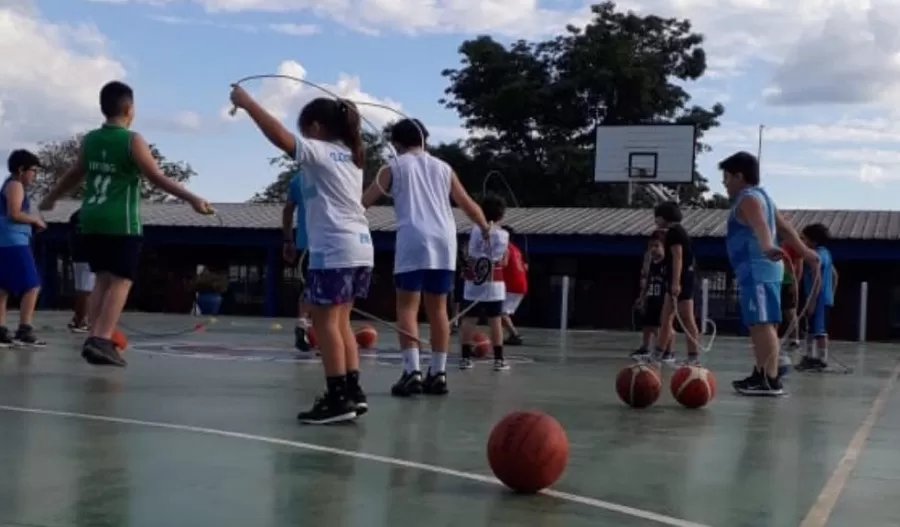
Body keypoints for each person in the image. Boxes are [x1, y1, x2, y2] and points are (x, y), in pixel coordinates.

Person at [40, 81, 211, 367]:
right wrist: (192, 198)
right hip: (121, 221)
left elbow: (75, 173)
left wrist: (51, 197)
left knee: (102, 279)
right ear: (129, 109)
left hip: (90, 217)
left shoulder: (91, 140)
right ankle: (102, 338)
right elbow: (156, 176)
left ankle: (94, 335)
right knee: (122, 279)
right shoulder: (132, 140)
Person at [230, 86, 374, 425]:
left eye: (305, 128)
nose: (303, 135)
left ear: (316, 128)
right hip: (359, 246)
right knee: (341, 323)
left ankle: (337, 398)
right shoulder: (351, 157)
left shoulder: (322, 151)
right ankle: (352, 392)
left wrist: (249, 103)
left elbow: (280, 138)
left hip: (335, 248)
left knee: (325, 325)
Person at [362, 118, 488, 397]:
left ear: (396, 143)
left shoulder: (393, 166)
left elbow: (365, 201)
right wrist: (486, 228)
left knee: (407, 308)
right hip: (445, 240)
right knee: (439, 309)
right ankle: (439, 373)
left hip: (413, 239)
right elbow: (468, 204)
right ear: (424, 139)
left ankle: (412, 371)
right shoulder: (444, 167)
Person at [718, 151, 818, 396]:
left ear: (739, 176)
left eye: (726, 177)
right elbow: (785, 228)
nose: (724, 183)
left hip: (758, 268)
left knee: (761, 324)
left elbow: (762, 226)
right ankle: (762, 372)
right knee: (761, 323)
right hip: (763, 270)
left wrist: (766, 246)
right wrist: (805, 252)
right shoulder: (764, 197)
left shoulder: (748, 199)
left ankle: (770, 380)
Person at [0, 149, 46, 347]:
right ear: (21, 169)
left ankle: (1, 330)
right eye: (33, 170)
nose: (34, 175)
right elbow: (14, 213)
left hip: (5, 240)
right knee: (32, 285)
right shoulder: (16, 185)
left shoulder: (7, 185)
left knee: (3, 287)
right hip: (14, 241)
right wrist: (35, 220)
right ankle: (24, 329)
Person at [459, 194, 509, 371]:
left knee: (469, 319)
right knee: (495, 320)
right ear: (500, 214)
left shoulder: (474, 230)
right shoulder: (503, 234)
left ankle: (465, 358)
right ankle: (499, 359)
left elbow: (471, 253)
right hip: (494, 281)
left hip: (474, 280)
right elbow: (503, 260)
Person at [651, 201, 702, 365]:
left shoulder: (674, 232)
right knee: (666, 318)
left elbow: (677, 258)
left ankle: (693, 357)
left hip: (682, 279)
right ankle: (658, 354)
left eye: (657, 217)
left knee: (687, 319)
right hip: (678, 278)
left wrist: (675, 283)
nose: (656, 221)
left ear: (665, 217)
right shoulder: (675, 232)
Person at [795, 223, 838, 372]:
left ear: (813, 241)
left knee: (819, 331)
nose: (801, 242)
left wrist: (812, 301)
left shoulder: (817, 256)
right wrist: (831, 293)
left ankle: (821, 360)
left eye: (804, 239)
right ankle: (809, 357)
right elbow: (834, 275)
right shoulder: (825, 253)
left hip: (818, 299)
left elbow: (817, 279)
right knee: (810, 330)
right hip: (821, 298)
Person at [282, 170, 313, 352]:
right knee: (332, 295)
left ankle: (303, 323)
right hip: (333, 243)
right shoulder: (339, 172)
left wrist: (288, 240)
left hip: (306, 243)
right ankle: (326, 333)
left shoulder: (298, 179)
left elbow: (288, 209)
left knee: (308, 287)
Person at [631, 230, 667, 360]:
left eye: (656, 246)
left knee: (658, 327)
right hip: (651, 298)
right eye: (651, 246)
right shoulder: (651, 264)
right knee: (646, 325)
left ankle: (662, 350)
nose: (653, 249)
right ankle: (645, 347)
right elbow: (647, 282)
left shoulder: (667, 265)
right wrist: (642, 297)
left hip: (662, 301)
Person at [68, 209, 94, 333]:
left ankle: (78, 318)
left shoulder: (76, 215)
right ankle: (81, 321)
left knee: (82, 289)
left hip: (78, 254)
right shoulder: (90, 214)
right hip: (87, 254)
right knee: (86, 290)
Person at [501, 225, 528, 346]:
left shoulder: (504, 248)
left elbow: (502, 264)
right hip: (520, 284)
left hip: (513, 285)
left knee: (500, 312)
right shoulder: (516, 249)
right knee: (502, 312)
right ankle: (506, 334)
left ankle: (515, 335)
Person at [779, 239, 802, 349]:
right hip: (776, 280)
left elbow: (799, 265)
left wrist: (795, 283)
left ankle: (795, 339)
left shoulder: (792, 243)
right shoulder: (776, 241)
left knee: (790, 311)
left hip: (788, 282)